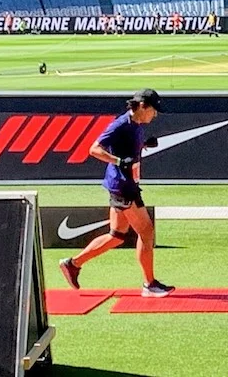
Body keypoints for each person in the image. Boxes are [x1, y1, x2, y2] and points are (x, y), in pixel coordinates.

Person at [59, 89, 174, 298]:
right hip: (123, 186)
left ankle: (73, 264)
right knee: (146, 232)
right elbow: (93, 149)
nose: (155, 115)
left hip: (125, 184)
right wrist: (120, 161)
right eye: (153, 110)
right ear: (141, 106)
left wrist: (142, 145)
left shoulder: (137, 124)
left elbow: (126, 148)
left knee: (117, 235)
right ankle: (149, 284)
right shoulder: (120, 124)